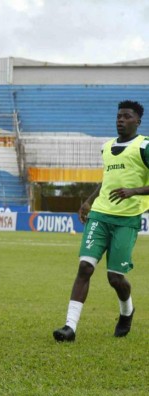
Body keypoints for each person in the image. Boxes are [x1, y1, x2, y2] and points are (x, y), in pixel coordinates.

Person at [53, 100, 146, 342]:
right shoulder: (107, 147)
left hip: (127, 219)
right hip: (100, 215)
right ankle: (69, 327)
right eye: (118, 116)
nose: (121, 120)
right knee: (85, 267)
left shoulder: (144, 146)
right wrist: (89, 201)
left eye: (126, 116)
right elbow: (107, 180)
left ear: (138, 121)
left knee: (115, 278)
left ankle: (127, 312)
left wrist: (134, 191)